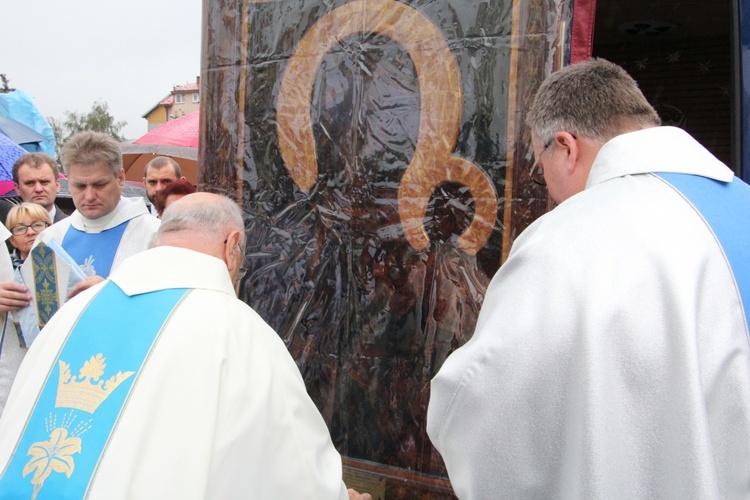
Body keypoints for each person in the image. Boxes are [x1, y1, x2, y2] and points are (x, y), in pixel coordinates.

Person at [427, 58, 750, 498]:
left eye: (542, 174)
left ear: (566, 147)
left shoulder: (571, 237)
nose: (551, 196)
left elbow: (480, 410)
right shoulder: (742, 208)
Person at [0, 193, 369, 499]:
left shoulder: (75, 311)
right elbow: (293, 463)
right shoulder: (237, 330)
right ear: (233, 245)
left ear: (161, 238)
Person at [34, 131, 160, 297]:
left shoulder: (154, 234)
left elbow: (169, 304)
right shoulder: (51, 239)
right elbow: (33, 313)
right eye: (79, 186)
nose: (89, 196)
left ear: (120, 178)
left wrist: (113, 295)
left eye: (99, 184)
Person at [0, 203, 51, 416]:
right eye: (20, 228)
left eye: (37, 225)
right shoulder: (5, 271)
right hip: (13, 355)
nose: (30, 232)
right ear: (12, 239)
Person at [11, 152, 68, 223]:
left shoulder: (75, 229)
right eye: (30, 183)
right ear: (17, 188)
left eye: (44, 182)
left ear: (57, 185)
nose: (38, 189)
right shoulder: (6, 232)